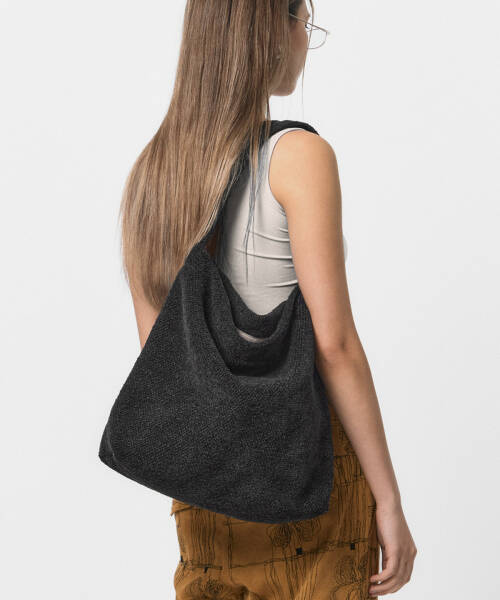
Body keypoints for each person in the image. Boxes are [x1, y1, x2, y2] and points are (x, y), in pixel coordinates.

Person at [120, 1, 417, 598]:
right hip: (308, 485)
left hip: (205, 496)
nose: (307, 40)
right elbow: (334, 347)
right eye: (306, 21)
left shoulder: (151, 174)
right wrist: (388, 499)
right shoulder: (298, 156)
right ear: (270, 29)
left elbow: (163, 358)